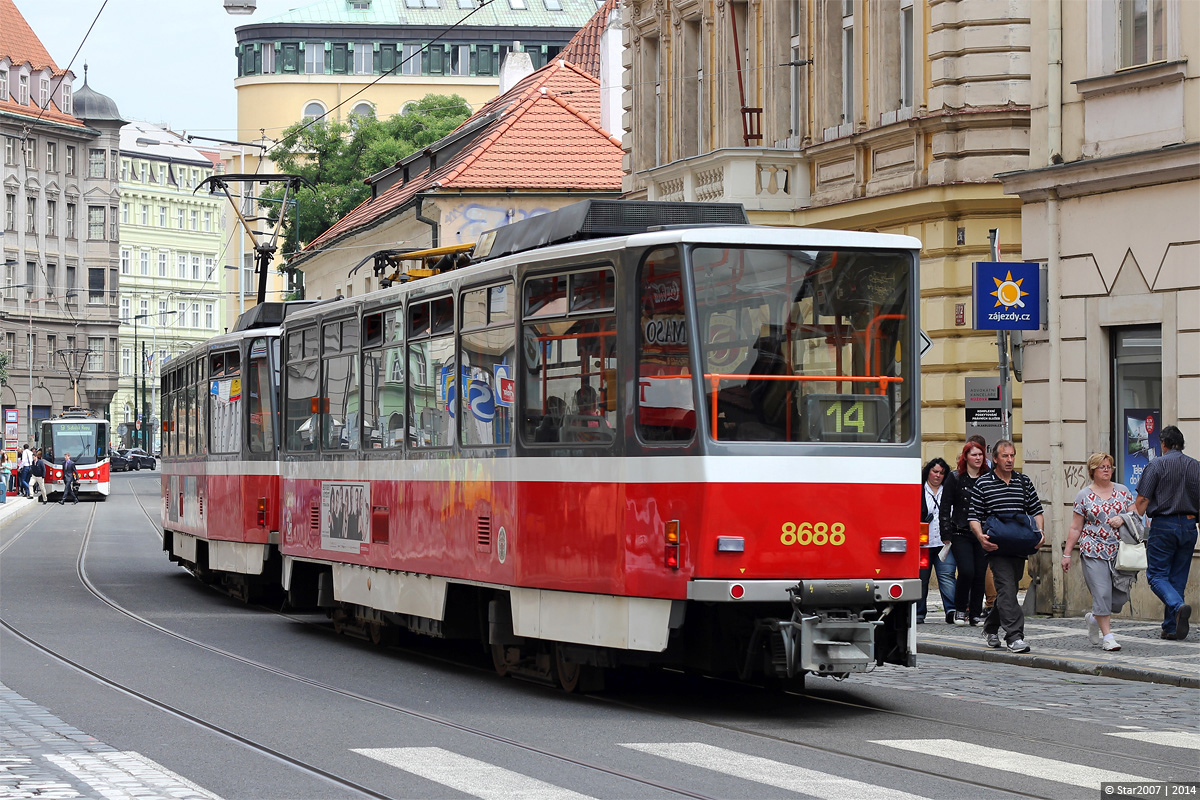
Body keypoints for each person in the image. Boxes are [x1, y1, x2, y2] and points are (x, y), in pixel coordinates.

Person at [968, 439, 1045, 653]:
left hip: (1020, 545)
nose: (1010, 460)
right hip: (996, 547)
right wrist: (981, 537)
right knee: (1007, 589)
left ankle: (991, 627)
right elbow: (973, 516)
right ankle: (1015, 636)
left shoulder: (1023, 481)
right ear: (995, 459)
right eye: (1005, 456)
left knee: (1007, 590)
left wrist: (1040, 532)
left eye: (1012, 456)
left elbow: (1036, 510)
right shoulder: (984, 483)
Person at [1062, 452, 1137, 651]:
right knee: (1102, 593)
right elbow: (1076, 527)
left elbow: (1136, 515)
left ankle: (1094, 618)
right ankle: (1108, 637)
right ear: (1092, 471)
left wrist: (1123, 519)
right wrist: (1067, 553)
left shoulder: (1122, 491)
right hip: (1093, 549)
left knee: (1119, 597)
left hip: (1120, 551)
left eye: (1109, 467)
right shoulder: (1083, 495)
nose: (1107, 470)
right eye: (1102, 467)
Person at [1134, 425, 1199, 640]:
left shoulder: (1156, 465)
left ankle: (1177, 606)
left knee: (1156, 575)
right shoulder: (1195, 466)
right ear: (1181, 444)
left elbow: (1143, 500)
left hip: (1163, 525)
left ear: (1164, 444)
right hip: (1189, 526)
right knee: (1177, 578)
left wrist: (1132, 523)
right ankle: (1171, 627)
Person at [949, 440, 989, 626]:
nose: (978, 458)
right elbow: (945, 507)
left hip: (983, 533)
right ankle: (959, 608)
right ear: (966, 457)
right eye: (974, 454)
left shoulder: (989, 477)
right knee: (966, 571)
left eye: (980, 454)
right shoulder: (956, 477)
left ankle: (975, 613)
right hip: (960, 531)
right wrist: (945, 532)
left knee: (980, 573)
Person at [919, 458, 957, 623]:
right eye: (935, 471)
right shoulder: (919, 490)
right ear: (928, 472)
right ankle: (919, 612)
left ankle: (951, 610)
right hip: (923, 544)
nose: (938, 475)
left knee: (947, 576)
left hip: (944, 543)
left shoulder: (948, 490)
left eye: (941, 473)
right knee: (921, 579)